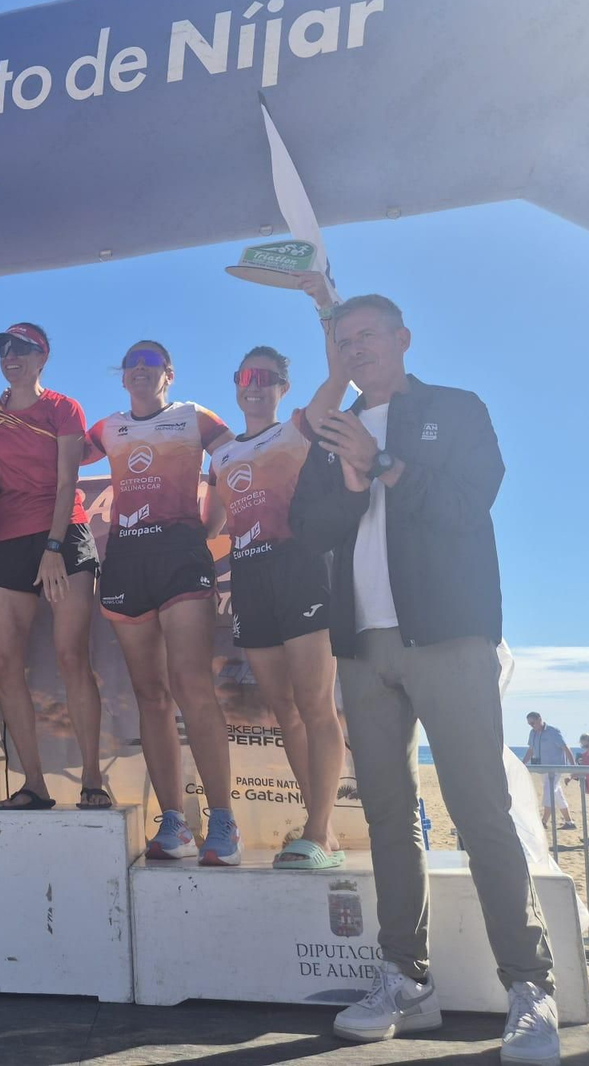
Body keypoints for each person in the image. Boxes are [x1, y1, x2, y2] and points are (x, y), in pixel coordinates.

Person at [289, 295, 558, 1064]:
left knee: (481, 812)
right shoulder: (333, 426)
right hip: (363, 649)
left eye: (368, 336)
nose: (357, 350)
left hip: (449, 638)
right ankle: (405, 978)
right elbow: (309, 530)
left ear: (403, 340)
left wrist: (386, 466)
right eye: (344, 342)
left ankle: (527, 987)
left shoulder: (455, 409)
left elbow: (471, 505)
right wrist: (346, 478)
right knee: (386, 819)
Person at [205, 292, 351, 868]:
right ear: (236, 384)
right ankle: (321, 832)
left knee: (317, 705)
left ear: (282, 386)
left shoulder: (299, 427)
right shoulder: (220, 456)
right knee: (282, 708)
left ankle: (318, 829)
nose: (254, 385)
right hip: (250, 578)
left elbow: (341, 372)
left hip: (300, 569)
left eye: (265, 377)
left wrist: (323, 305)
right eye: (246, 376)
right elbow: (216, 520)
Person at [88, 341, 240, 863]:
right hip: (128, 557)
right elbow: (59, 461)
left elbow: (236, 457)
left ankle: (222, 821)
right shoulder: (107, 427)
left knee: (192, 684)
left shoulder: (193, 416)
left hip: (180, 552)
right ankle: (173, 823)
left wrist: (210, 527)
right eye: (130, 364)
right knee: (150, 694)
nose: (138, 371)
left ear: (168, 375)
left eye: (149, 365)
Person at [0, 322, 110, 811]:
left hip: (64, 537)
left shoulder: (62, 407)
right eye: (4, 350)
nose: (10, 357)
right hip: (9, 541)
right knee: (5, 663)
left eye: (22, 349)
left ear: (42, 357)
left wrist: (53, 546)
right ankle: (34, 783)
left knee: (72, 656)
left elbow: (66, 480)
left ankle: (93, 780)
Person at [522, 712, 576, 832]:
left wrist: (573, 767)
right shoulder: (533, 733)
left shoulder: (553, 732)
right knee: (556, 794)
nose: (531, 726)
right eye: (529, 724)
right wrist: (522, 764)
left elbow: (566, 748)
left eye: (533, 723)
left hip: (555, 768)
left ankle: (544, 821)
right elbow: (531, 750)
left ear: (539, 719)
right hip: (543, 769)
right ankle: (569, 821)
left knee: (549, 791)